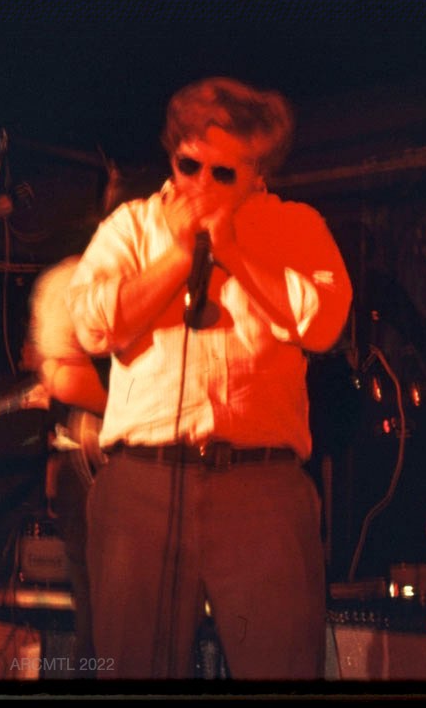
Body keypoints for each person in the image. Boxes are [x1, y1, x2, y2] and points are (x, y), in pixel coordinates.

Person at [66, 77, 353, 680]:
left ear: (258, 174)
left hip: (261, 487)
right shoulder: (132, 227)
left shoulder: (295, 227)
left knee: (282, 668)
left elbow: (323, 322)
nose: (198, 185)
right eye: (188, 164)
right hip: (142, 483)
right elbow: (92, 324)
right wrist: (175, 257)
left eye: (222, 173)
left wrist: (235, 253)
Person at [24, 253, 109, 675]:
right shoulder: (75, 276)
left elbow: (59, 373)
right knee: (102, 615)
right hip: (92, 461)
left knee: (98, 615)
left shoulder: (69, 276)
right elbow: (60, 373)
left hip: (98, 460)